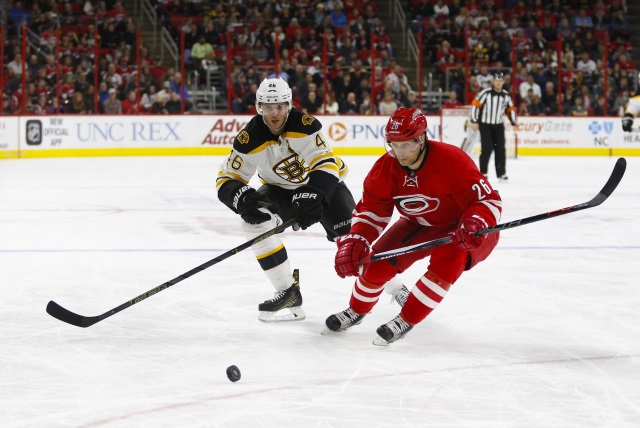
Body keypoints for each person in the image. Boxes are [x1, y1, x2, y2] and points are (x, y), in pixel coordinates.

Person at [323, 107, 502, 345]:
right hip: (418, 223)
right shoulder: (385, 168)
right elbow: (373, 210)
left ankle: (406, 319)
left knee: (448, 260)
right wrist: (358, 237)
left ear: (422, 138)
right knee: (376, 263)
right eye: (393, 145)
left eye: (406, 145)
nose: (399, 153)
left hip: (465, 229)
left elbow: (488, 200)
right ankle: (356, 311)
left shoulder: (452, 161)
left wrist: (476, 222)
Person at [216, 78, 357, 323]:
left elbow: (326, 164)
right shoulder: (249, 138)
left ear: (289, 105)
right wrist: (241, 198)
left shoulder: (305, 126)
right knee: (253, 223)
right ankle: (287, 291)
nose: (275, 113)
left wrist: (312, 194)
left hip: (323, 185)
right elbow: (226, 178)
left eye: (280, 106)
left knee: (355, 240)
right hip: (279, 189)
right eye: (268, 107)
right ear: (259, 107)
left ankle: (395, 288)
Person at [469, 72, 517, 182]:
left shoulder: (506, 95)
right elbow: (476, 106)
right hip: (485, 124)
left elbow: (510, 110)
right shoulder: (485, 93)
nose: (498, 83)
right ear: (493, 82)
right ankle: (483, 172)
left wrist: (514, 123)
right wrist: (474, 121)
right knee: (487, 148)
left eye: (500, 81)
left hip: (499, 125)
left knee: (500, 149)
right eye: (496, 81)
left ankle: (501, 174)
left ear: (503, 82)